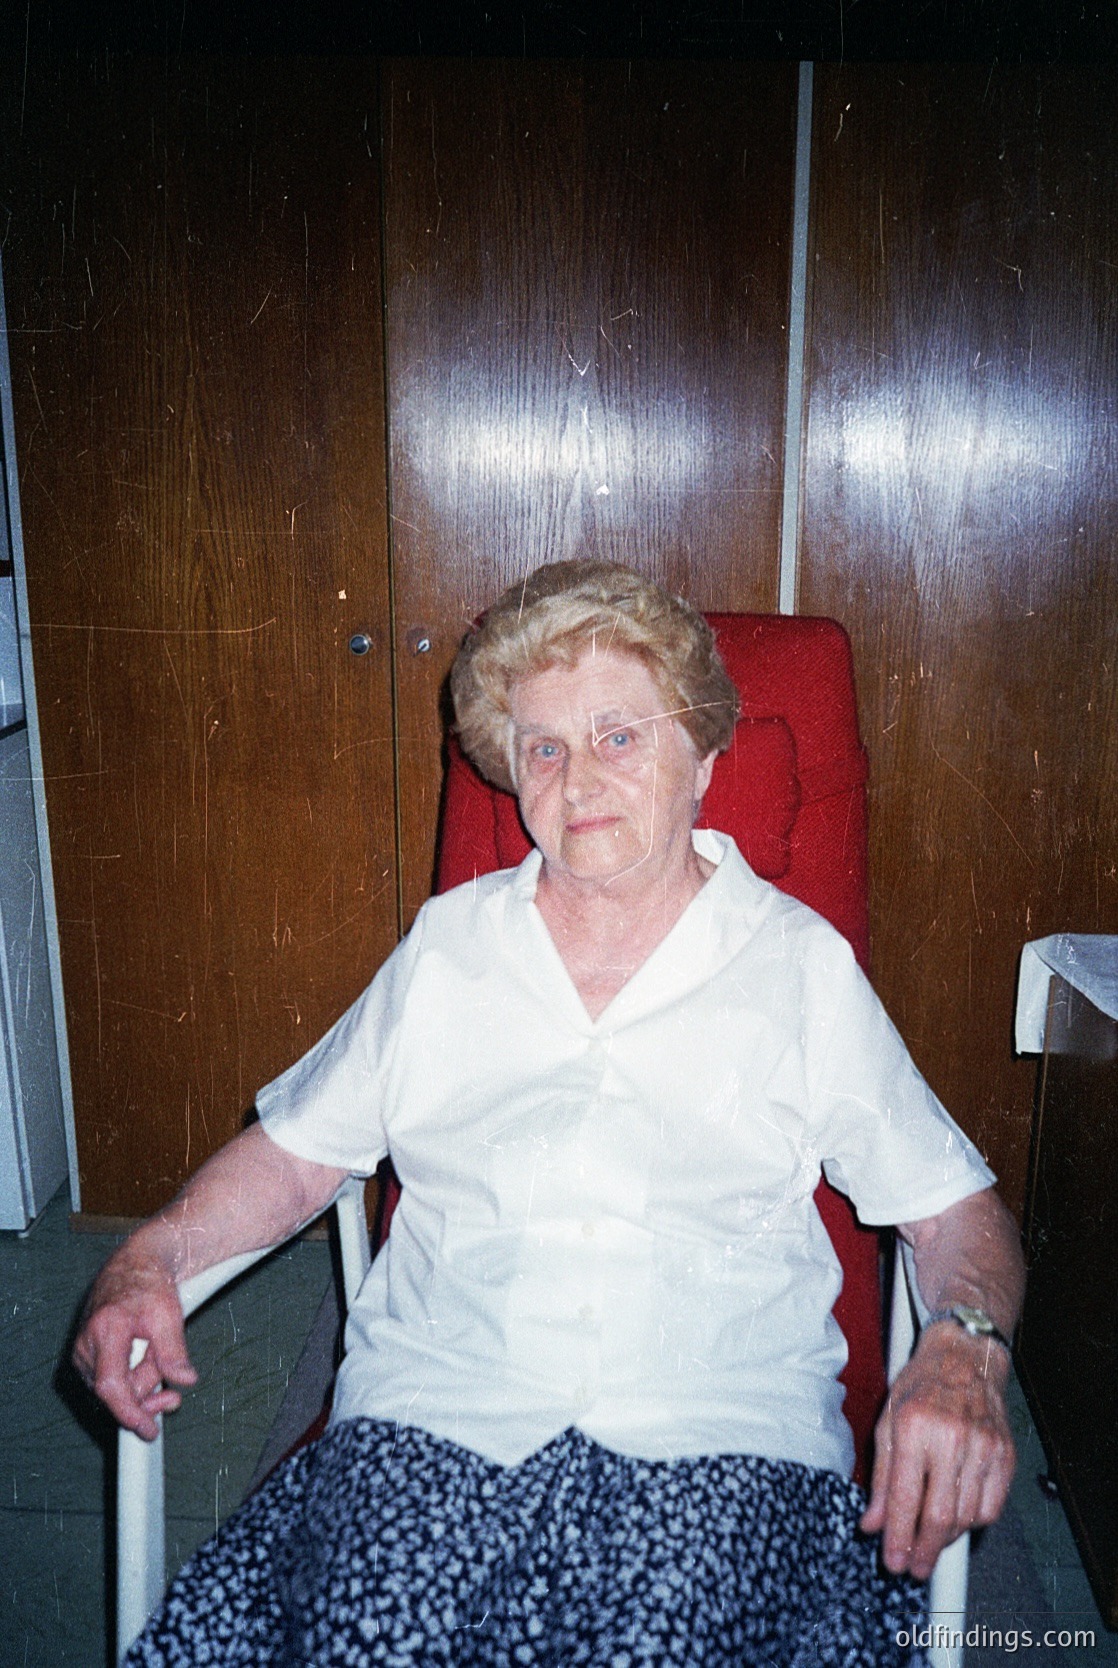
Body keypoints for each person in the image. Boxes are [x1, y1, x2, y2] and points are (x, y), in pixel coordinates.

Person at [75, 559, 1024, 1668]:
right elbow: (294, 1160)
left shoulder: (796, 965)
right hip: (432, 1423)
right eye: (543, 749)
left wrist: (963, 1351)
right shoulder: (450, 949)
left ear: (702, 757)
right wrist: (148, 1257)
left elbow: (956, 1215)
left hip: (716, 1443)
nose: (579, 782)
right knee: (365, 1639)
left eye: (618, 736)